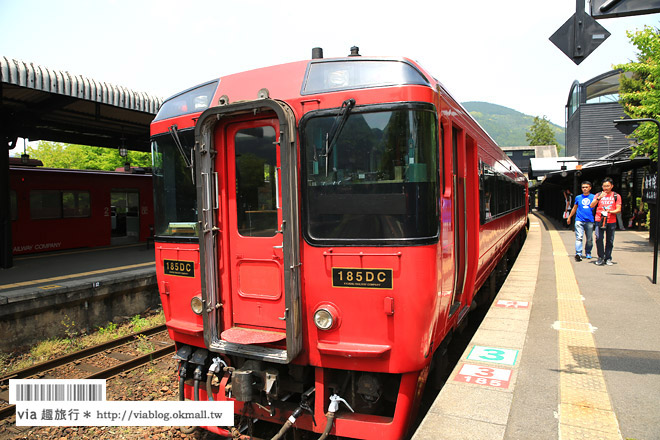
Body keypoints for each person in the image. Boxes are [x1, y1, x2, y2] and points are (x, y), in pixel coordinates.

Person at [590, 177, 622, 266]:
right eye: (604, 186)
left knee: (610, 240)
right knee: (599, 238)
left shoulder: (616, 196)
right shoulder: (598, 195)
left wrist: (610, 211)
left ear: (612, 186)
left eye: (608, 186)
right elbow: (591, 205)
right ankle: (600, 257)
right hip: (599, 220)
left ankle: (608, 258)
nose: (606, 188)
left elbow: (618, 209)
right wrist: (599, 198)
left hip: (611, 220)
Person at [567, 181, 595, 261]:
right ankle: (578, 253)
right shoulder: (578, 197)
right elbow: (574, 208)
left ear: (590, 188)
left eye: (586, 187)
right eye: (583, 187)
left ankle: (588, 252)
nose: (584, 189)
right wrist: (569, 217)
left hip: (589, 220)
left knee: (589, 239)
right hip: (579, 220)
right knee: (579, 237)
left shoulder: (593, 197)